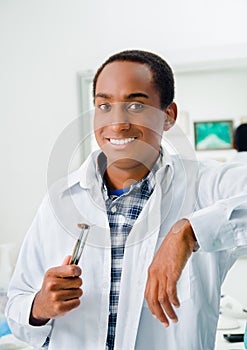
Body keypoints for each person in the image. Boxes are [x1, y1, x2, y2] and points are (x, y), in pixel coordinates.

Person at [5, 50, 247, 350]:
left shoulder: (205, 187)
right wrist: (39, 307)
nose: (117, 123)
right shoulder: (61, 199)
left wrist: (190, 231)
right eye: (104, 105)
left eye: (136, 105)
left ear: (168, 115)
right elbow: (16, 308)